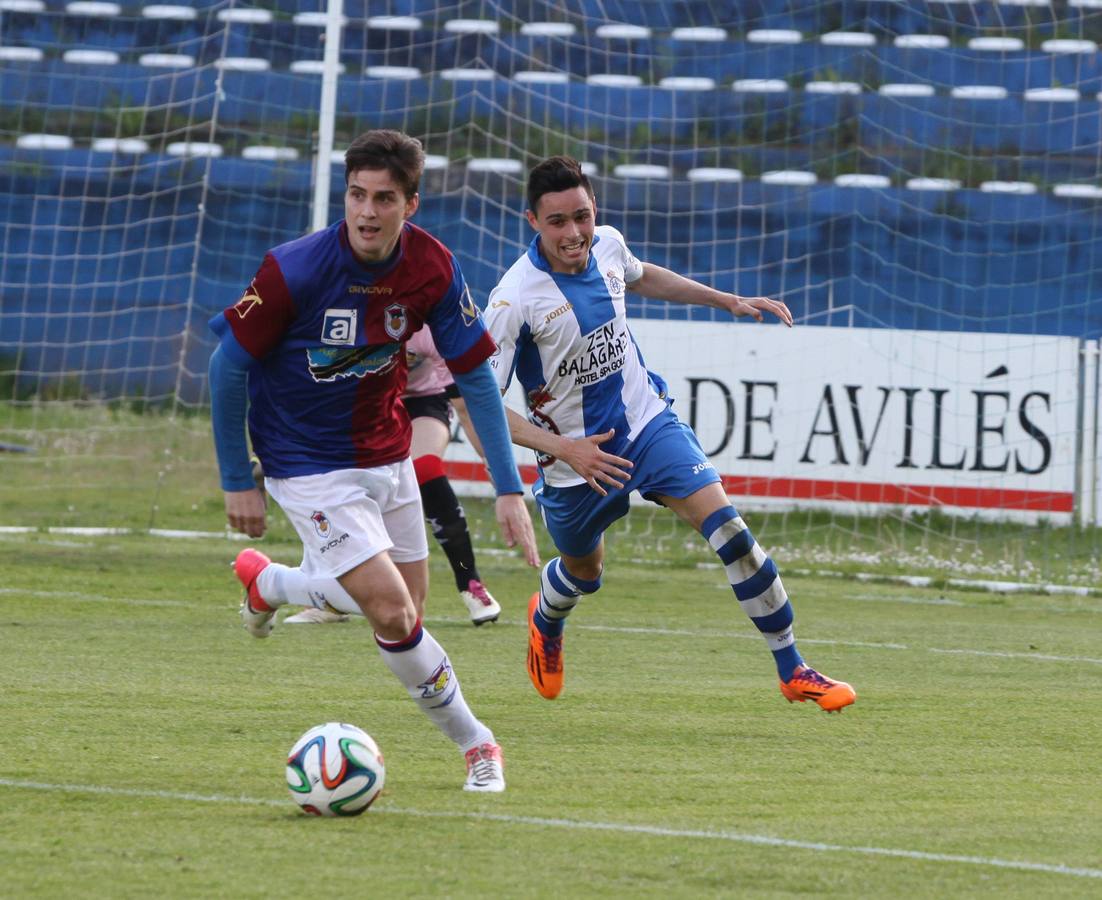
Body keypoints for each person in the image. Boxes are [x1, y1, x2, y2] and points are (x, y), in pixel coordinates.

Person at [207, 129, 540, 793]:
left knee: (405, 610)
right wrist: (237, 480)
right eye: (356, 195)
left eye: (383, 198)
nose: (366, 211)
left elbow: (473, 376)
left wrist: (508, 488)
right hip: (305, 464)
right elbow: (226, 367)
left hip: (387, 456)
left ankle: (271, 585)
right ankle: (479, 747)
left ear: (409, 204)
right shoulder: (294, 270)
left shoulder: (432, 268)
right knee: (392, 612)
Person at [482, 155, 856, 712]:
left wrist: (724, 300)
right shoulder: (514, 301)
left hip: (646, 420)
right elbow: (481, 402)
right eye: (557, 221)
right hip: (575, 462)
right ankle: (546, 616)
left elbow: (640, 273)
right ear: (532, 222)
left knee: (731, 531)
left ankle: (793, 667)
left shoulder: (606, 243)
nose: (574, 233)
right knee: (586, 574)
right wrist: (564, 448)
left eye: (581, 216)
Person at [285, 328, 502, 626]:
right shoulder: (354, 310)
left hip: (423, 402)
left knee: (425, 470)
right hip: (364, 402)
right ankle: (329, 596)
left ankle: (471, 584)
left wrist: (493, 462)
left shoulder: (432, 323)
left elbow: (464, 407)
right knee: (333, 482)